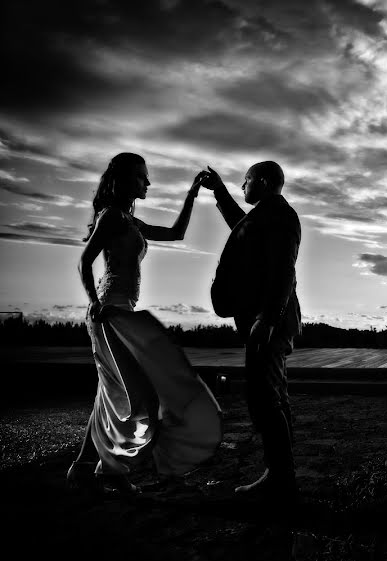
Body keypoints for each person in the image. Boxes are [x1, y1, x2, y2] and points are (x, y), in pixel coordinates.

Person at [67, 152, 223, 494]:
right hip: (111, 314)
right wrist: (95, 303)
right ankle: (111, 471)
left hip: (123, 312)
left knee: (108, 395)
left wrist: (192, 195)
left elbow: (177, 232)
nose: (147, 183)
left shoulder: (129, 221)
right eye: (141, 177)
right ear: (122, 180)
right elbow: (84, 262)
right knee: (140, 399)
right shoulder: (110, 217)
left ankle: (83, 469)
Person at [201, 161, 301, 501]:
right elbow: (240, 224)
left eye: (245, 181)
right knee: (271, 396)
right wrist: (219, 192)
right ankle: (282, 474)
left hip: (269, 322)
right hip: (264, 320)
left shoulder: (280, 215)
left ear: (261, 181)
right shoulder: (263, 216)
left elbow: (283, 270)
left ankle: (280, 477)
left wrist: (268, 319)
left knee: (264, 398)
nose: (242, 186)